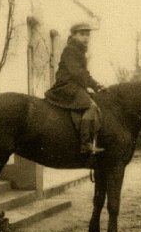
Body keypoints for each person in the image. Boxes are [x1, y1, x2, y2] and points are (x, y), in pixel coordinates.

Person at [45, 22, 105, 155]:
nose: (86, 38)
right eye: (82, 34)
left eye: (88, 35)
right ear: (73, 35)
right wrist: (90, 85)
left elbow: (84, 74)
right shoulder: (70, 50)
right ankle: (85, 144)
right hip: (66, 86)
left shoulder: (79, 51)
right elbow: (76, 72)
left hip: (74, 85)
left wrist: (97, 85)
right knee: (91, 107)